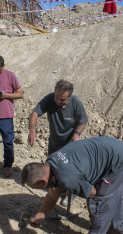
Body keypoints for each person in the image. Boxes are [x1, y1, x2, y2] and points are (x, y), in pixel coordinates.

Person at [21, 136, 123, 234]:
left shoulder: (66, 178)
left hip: (118, 163)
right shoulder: (51, 161)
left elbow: (93, 193)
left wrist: (79, 185)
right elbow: (52, 194)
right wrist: (40, 215)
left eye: (36, 187)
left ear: (42, 182)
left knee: (98, 201)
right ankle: (122, 228)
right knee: (112, 195)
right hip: (116, 150)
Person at [28, 79, 88, 207]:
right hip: (54, 143)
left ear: (69, 97)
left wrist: (77, 133)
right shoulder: (50, 99)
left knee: (72, 171)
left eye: (62, 99)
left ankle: (73, 192)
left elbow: (83, 120)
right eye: (57, 97)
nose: (58, 101)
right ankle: (57, 190)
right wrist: (32, 130)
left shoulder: (76, 103)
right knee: (54, 169)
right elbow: (35, 113)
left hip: (70, 145)